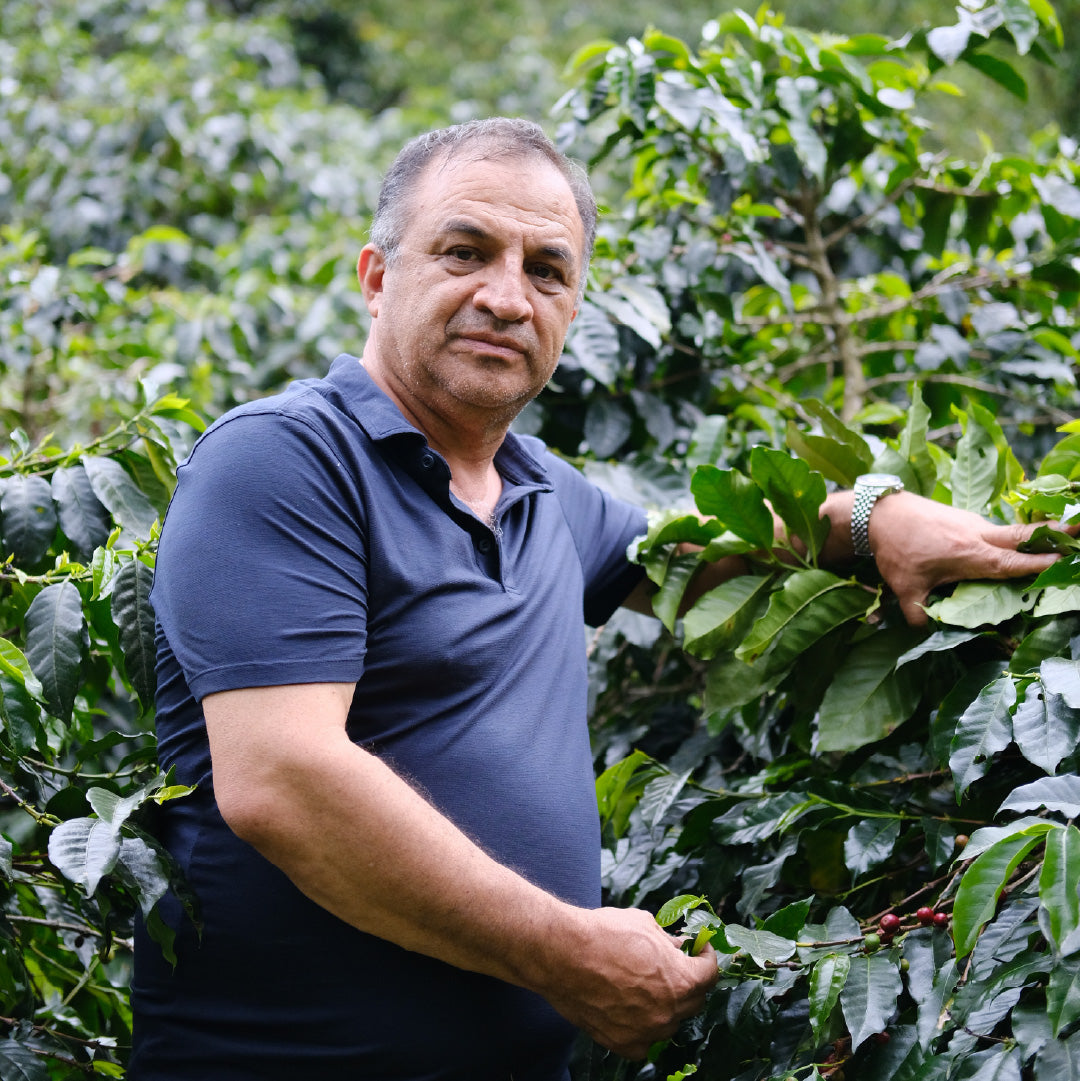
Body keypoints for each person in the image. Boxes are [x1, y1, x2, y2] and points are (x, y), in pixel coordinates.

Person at [130, 117, 1062, 1081]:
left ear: (572, 309)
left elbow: (700, 560)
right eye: (464, 252)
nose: (506, 297)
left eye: (546, 271)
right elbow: (283, 778)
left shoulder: (539, 489)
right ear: (375, 276)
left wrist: (872, 517)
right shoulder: (282, 460)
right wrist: (567, 955)